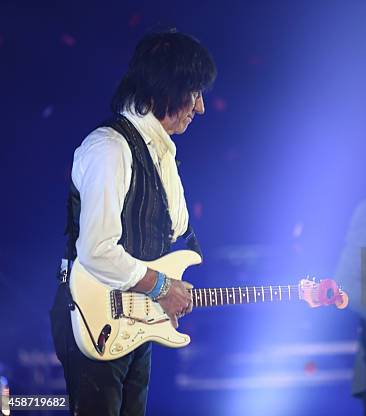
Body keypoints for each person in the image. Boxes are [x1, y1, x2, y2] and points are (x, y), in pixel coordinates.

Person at [49, 30, 216, 415]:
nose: (201, 108)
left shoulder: (159, 151)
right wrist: (160, 285)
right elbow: (97, 250)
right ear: (166, 89)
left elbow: (175, 227)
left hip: (135, 315)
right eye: (194, 92)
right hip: (95, 316)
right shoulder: (109, 148)